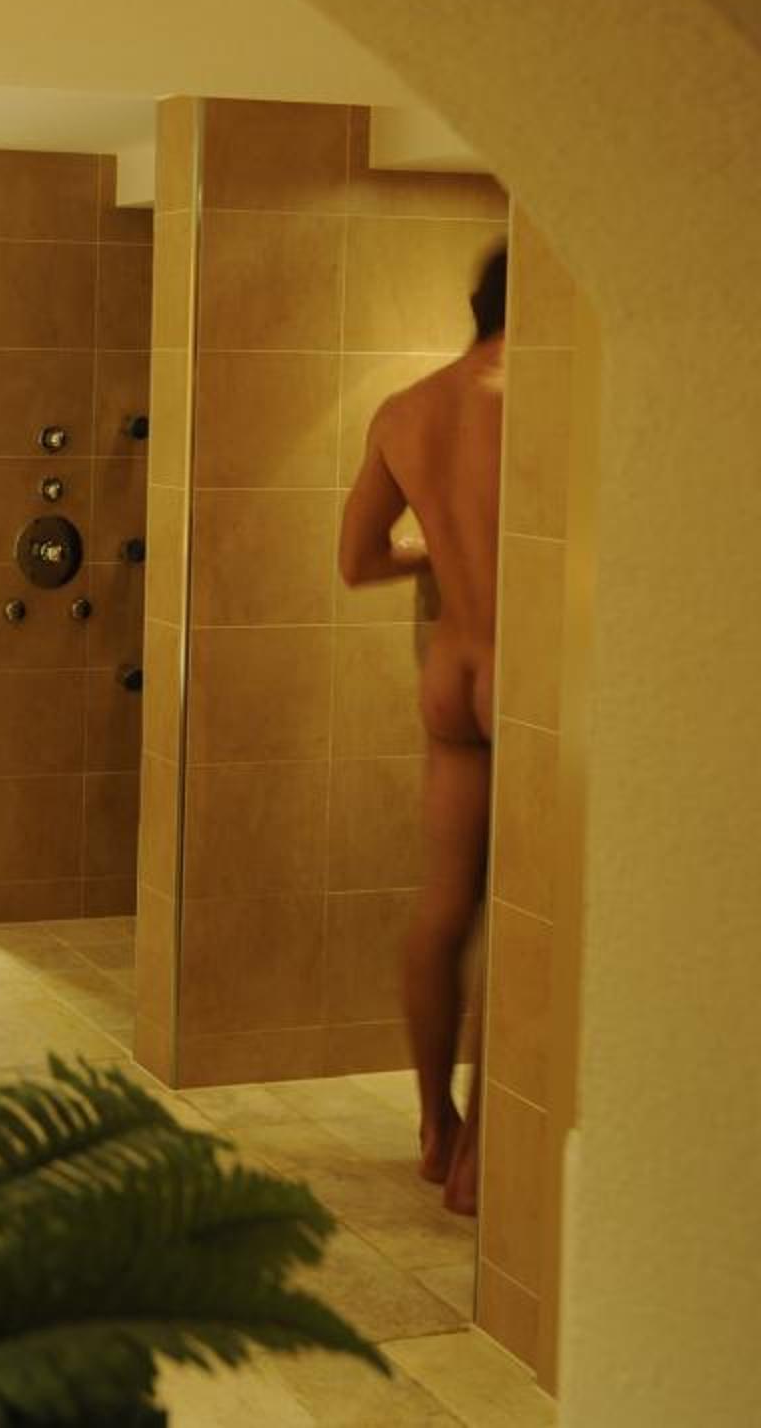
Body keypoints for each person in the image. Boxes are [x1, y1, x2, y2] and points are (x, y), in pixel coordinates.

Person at [336, 243, 508, 1216]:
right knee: (526, 916)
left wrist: (441, 547)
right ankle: (485, 1152)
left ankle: (437, 1127)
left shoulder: (409, 409)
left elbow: (359, 559)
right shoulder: (554, 399)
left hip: (452, 675)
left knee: (444, 908)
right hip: (527, 673)